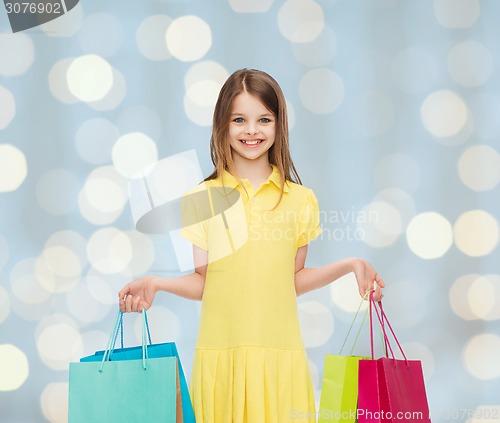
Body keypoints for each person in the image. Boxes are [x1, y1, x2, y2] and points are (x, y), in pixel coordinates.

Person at [118, 68, 385, 422]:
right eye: (239, 119)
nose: (252, 130)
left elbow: (290, 280)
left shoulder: (300, 200)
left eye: (264, 119)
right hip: (221, 361)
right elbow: (206, 280)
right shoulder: (202, 198)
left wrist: (349, 265)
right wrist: (157, 283)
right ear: (222, 125)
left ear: (279, 125)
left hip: (281, 360)